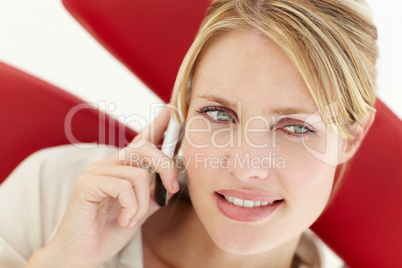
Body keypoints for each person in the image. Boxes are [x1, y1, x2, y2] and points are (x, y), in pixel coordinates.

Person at [0, 0, 378, 267]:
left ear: (351, 138)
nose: (247, 168)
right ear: (181, 113)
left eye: (295, 128)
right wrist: (63, 262)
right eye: (217, 114)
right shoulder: (56, 193)